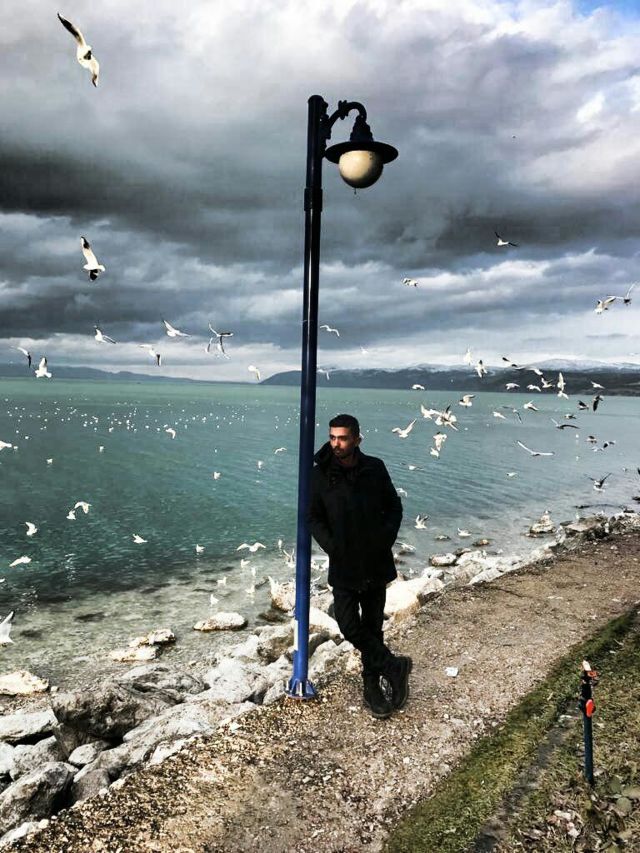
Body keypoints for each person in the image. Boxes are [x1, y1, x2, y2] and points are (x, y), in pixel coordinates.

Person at [307, 413, 412, 719]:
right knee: (349, 625)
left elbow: (394, 506)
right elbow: (313, 517)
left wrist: (384, 540)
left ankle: (372, 688)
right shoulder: (319, 474)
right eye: (332, 437)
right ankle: (394, 666)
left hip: (376, 561)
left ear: (356, 439)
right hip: (344, 564)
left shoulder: (374, 468)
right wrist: (334, 547)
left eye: (342, 438)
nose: (336, 443)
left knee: (373, 627)